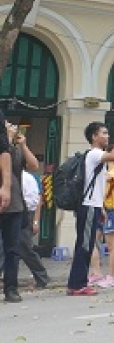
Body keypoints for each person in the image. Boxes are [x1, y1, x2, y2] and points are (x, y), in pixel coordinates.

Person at [66, 121, 114, 296]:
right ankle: (77, 284)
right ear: (94, 137)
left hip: (93, 205)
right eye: (104, 133)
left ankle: (76, 283)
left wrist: (100, 207)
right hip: (87, 206)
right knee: (85, 244)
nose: (107, 136)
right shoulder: (95, 154)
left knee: (86, 243)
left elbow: (97, 186)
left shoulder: (96, 156)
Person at [2, 120, 40, 302]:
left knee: (13, 250)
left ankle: (11, 288)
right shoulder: (5, 148)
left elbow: (34, 166)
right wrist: (7, 140)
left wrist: (23, 145)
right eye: (8, 125)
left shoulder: (16, 149)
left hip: (15, 205)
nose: (12, 127)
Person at [89, 149, 114, 288]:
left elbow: (108, 178)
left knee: (111, 246)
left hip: (112, 209)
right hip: (103, 208)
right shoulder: (110, 168)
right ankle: (96, 272)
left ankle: (112, 276)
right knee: (91, 241)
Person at [17, 165, 49, 289]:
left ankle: (41, 276)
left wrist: (35, 221)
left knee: (25, 248)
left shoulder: (30, 178)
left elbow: (37, 201)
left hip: (24, 213)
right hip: (13, 212)